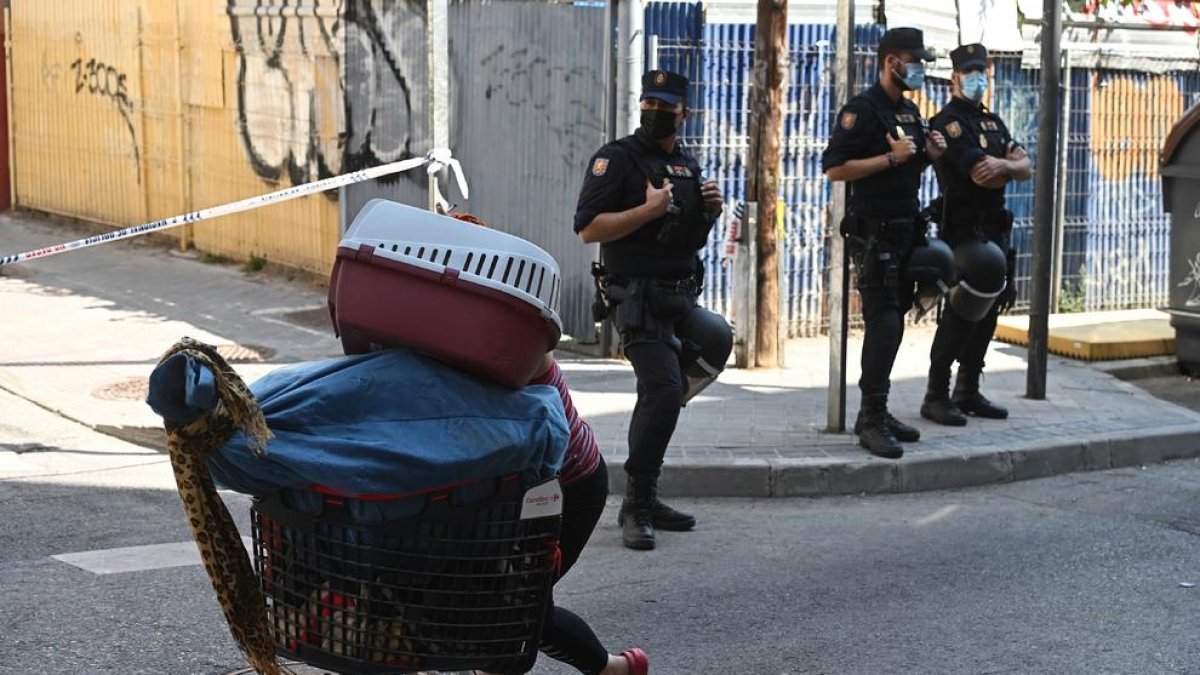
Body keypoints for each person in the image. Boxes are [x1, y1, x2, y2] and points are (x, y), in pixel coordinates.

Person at [574, 69, 728, 550]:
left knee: (716, 340)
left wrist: (709, 211)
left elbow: (688, 235)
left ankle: (648, 482)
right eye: (649, 103)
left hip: (679, 295)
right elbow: (588, 229)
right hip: (635, 297)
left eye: (666, 106)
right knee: (662, 390)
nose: (655, 113)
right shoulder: (617, 159)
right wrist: (647, 210)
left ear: (685, 113)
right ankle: (636, 504)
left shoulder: (686, 165)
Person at [821, 27, 947, 459]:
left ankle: (879, 409)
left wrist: (932, 151)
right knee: (886, 323)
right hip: (873, 234)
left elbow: (911, 166)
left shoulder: (910, 111)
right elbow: (836, 169)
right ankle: (870, 418)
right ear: (892, 62)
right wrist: (891, 157)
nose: (921, 70)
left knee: (895, 323)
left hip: (906, 230)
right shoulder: (862, 111)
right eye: (916, 62)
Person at [921, 43, 1033, 426]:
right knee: (960, 312)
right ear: (954, 78)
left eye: (980, 71)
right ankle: (936, 393)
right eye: (969, 73)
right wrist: (1009, 165)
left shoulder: (992, 122)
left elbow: (1026, 166)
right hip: (963, 232)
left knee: (988, 312)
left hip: (994, 231)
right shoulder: (947, 124)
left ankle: (967, 390)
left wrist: (1006, 164)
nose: (977, 79)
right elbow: (980, 173)